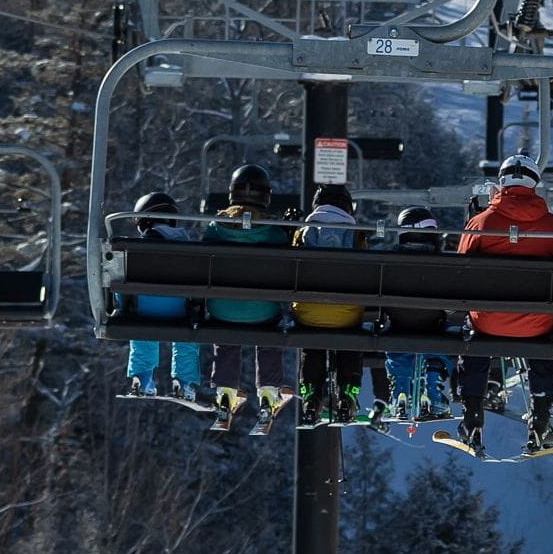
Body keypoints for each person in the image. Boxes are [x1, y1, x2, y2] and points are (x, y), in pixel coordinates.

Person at [454, 153, 553, 454]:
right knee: (545, 335)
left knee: (474, 334)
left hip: (487, 323)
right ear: (534, 183)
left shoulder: (481, 223)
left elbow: (460, 271)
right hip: (536, 324)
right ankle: (541, 420)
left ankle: (472, 418)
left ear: (502, 182)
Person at [203, 164, 294, 428]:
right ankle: (268, 395)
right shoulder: (274, 232)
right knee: (268, 336)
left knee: (226, 339)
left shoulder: (216, 228)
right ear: (266, 196)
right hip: (262, 312)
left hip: (222, 311)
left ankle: (225, 396)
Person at [292, 184, 370, 427]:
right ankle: (348, 394)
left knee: (312, 343)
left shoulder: (303, 231)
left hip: (308, 312)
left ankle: (311, 396)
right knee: (349, 337)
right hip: (346, 314)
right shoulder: (356, 233)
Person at [118, 191, 203, 404]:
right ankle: (183, 383)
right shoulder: (189, 246)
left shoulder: (135, 249)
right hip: (179, 311)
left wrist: (122, 306)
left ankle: (142, 378)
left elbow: (121, 282)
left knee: (141, 333)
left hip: (144, 310)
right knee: (186, 341)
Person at [381, 207, 454, 423]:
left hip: (398, 322)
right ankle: (433, 385)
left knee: (397, 337)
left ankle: (400, 390)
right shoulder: (444, 263)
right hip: (434, 323)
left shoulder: (390, 260)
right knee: (445, 331)